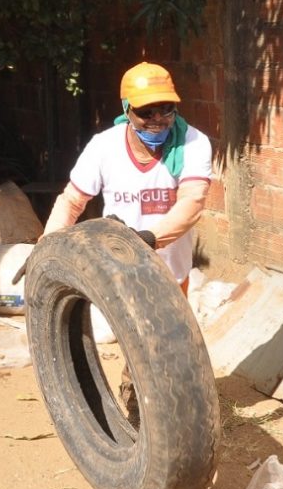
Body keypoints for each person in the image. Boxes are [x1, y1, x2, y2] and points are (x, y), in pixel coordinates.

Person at [42, 61, 213, 425]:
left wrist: (149, 239)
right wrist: (46, 251)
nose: (157, 120)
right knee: (142, 341)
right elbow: (72, 201)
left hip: (171, 269)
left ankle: (157, 408)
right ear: (127, 110)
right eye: (146, 112)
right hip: (119, 270)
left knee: (168, 344)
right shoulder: (104, 147)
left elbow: (193, 202)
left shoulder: (193, 143)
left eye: (166, 109)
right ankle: (137, 405)